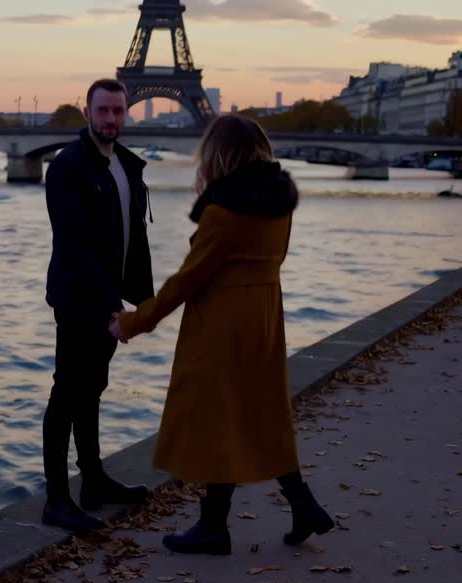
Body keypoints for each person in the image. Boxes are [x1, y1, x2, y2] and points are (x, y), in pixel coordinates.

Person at [109, 114, 333, 554]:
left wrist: (133, 322)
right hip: (265, 317)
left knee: (217, 417)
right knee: (260, 414)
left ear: (218, 155)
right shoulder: (279, 202)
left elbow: (186, 282)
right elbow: (276, 259)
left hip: (223, 323)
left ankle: (214, 528)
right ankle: (301, 505)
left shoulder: (223, 212)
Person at [41, 79, 156, 532]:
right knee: (67, 393)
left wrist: (143, 300)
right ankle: (56, 499)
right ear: (86, 112)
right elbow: (74, 245)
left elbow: (132, 238)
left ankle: (92, 481)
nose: (111, 119)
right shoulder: (70, 167)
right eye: (104, 111)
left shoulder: (124, 165)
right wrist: (113, 306)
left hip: (110, 299)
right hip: (79, 300)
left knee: (92, 390)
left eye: (118, 111)